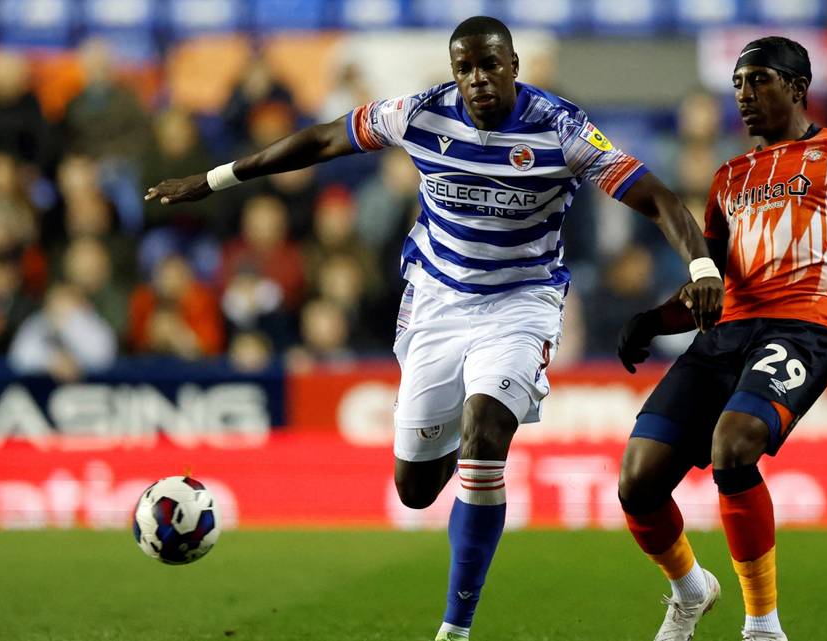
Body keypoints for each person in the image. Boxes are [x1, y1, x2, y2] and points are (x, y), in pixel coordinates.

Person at [145, 16, 724, 641]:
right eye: (464, 68)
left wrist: (700, 268)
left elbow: (658, 198)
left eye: (490, 65)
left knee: (485, 433)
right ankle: (461, 457)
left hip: (521, 303)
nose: (477, 79)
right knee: (416, 489)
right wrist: (215, 178)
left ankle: (455, 629)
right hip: (436, 304)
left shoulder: (561, 129)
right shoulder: (418, 114)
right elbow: (321, 140)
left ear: (513, 66)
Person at [615, 37, 827, 641]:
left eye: (759, 80)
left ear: (798, 87)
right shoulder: (729, 177)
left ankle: (762, 626)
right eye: (738, 83)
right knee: (638, 480)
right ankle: (691, 590)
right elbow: (712, 285)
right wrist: (653, 320)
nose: (744, 94)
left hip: (806, 326)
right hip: (728, 332)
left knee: (734, 445)